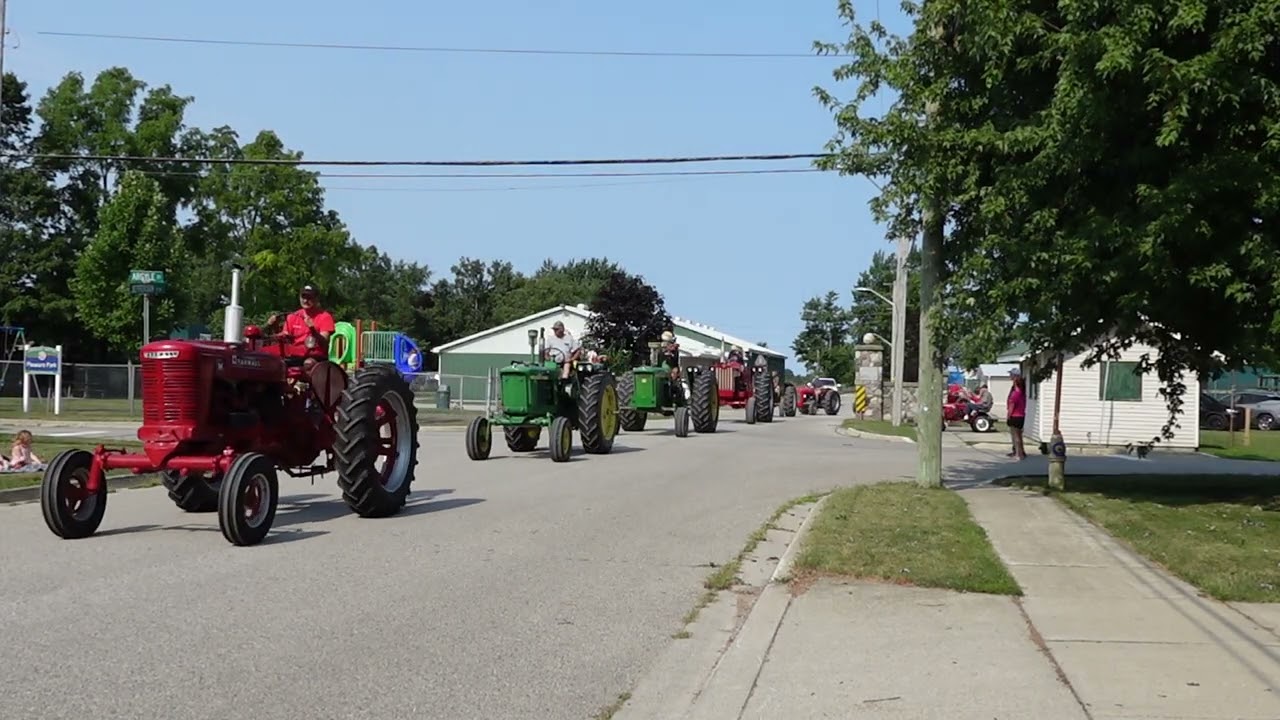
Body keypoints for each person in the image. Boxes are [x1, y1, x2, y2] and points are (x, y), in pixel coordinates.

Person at [265, 284, 337, 365]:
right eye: (303, 297)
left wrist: (312, 329)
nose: (305, 300)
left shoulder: (325, 317)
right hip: (294, 355)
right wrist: (272, 326)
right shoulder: (292, 316)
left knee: (308, 363)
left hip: (315, 357)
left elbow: (324, 343)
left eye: (309, 298)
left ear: (317, 299)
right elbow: (284, 338)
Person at [1006, 372, 1027, 460]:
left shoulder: (1015, 394)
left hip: (1015, 416)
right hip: (1021, 415)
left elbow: (1011, 407)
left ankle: (1018, 454)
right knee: (1019, 435)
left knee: (1016, 436)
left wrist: (1008, 416)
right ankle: (1021, 452)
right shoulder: (1022, 394)